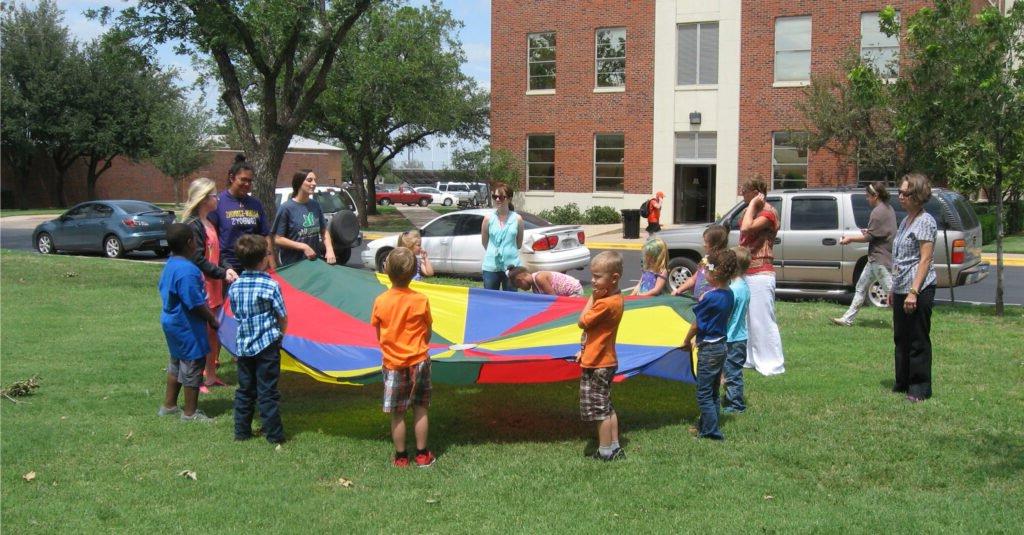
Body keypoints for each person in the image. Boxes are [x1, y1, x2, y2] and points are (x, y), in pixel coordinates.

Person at [371, 247, 436, 467]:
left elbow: (379, 333)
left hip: (393, 364)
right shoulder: (421, 299)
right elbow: (427, 331)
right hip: (419, 361)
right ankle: (422, 454)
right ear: (414, 272)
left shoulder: (381, 300)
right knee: (420, 408)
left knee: (397, 413)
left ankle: (401, 457)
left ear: (386, 271)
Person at [228, 234, 288, 444]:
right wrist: (280, 334)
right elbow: (281, 315)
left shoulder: (235, 286)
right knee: (268, 391)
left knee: (245, 390)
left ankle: (241, 432)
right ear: (264, 259)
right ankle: (274, 435)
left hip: (244, 346)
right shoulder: (270, 285)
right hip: (267, 345)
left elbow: (236, 313)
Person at [157, 223, 220, 422]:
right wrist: (212, 319)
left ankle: (169, 405)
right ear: (190, 243)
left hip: (171, 322)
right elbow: (195, 303)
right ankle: (190, 413)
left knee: (176, 362)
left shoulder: (171, 264)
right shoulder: (188, 270)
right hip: (187, 326)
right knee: (193, 365)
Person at [181, 178, 238, 392]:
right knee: (200, 333)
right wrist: (222, 273)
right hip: (201, 286)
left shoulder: (209, 223)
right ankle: (197, 378)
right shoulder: (193, 225)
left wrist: (227, 268)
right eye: (214, 195)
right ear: (204, 199)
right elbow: (197, 259)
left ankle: (211, 375)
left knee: (213, 331)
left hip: (214, 286)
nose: (217, 198)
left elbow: (218, 253)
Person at [681, 248, 739, 440]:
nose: (704, 275)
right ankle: (707, 425)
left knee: (704, 393)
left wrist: (685, 339)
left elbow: (697, 324)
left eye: (706, 272)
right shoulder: (729, 294)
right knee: (713, 390)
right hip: (721, 346)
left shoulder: (710, 297)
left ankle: (711, 432)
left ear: (715, 274)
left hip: (709, 349)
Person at [890, 173, 937, 402]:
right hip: (901, 288)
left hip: (918, 289)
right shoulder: (906, 220)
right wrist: (893, 289)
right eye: (899, 192)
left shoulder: (925, 221)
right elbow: (899, 257)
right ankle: (902, 382)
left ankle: (919, 388)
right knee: (901, 337)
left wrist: (913, 291)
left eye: (905, 193)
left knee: (917, 338)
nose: (900, 196)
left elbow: (925, 260)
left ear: (917, 196)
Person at [576, 251, 625, 461]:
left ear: (613, 278)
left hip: (598, 364)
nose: (593, 281)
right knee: (607, 405)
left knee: (599, 411)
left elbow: (582, 321)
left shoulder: (604, 303)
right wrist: (584, 350)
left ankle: (605, 451)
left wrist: (592, 297)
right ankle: (614, 446)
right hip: (603, 358)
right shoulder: (615, 297)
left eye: (597, 277)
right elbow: (596, 334)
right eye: (592, 276)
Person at [738, 176, 785, 376]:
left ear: (757, 192)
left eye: (745, 190)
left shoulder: (768, 213)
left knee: (762, 320)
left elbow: (746, 228)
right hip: (747, 271)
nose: (742, 193)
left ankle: (772, 363)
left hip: (761, 273)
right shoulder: (754, 210)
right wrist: (752, 205)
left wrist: (754, 204)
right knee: (748, 319)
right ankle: (752, 358)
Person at [833, 182, 897, 326]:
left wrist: (850, 239)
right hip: (874, 258)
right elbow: (880, 232)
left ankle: (901, 323)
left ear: (876, 196)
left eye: (868, 196)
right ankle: (847, 319)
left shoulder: (878, 212)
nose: (867, 199)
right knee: (861, 287)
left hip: (879, 258)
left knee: (892, 292)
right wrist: (869, 232)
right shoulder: (888, 208)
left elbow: (869, 237)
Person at [208, 154, 274, 272]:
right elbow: (212, 236)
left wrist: (270, 260)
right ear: (232, 178)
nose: (247, 184)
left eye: (250, 181)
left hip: (254, 265)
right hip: (228, 266)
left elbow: (264, 235)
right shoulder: (218, 202)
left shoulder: (255, 204)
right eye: (243, 180)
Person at [272, 170, 336, 267]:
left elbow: (324, 231)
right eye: (309, 180)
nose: (314, 183)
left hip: (314, 262)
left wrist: (329, 249)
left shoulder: (315, 205)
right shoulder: (286, 208)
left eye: (315, 180)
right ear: (299, 183)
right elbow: (277, 239)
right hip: (293, 265)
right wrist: (303, 246)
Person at [723, 246, 751, 413]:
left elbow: (727, 314)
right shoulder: (743, 285)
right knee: (731, 370)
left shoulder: (734, 290)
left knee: (732, 373)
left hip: (732, 338)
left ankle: (736, 405)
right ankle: (730, 398)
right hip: (739, 336)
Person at [480, 183, 523, 291]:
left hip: (512, 267)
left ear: (509, 199)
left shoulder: (518, 219)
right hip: (491, 267)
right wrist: (494, 250)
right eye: (495, 197)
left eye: (501, 197)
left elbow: (518, 244)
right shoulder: (488, 219)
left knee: (511, 301)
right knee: (490, 300)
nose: (498, 199)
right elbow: (485, 243)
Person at [671, 224, 728, 301]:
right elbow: (693, 279)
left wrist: (707, 295)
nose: (703, 245)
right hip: (699, 301)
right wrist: (679, 289)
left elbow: (721, 287)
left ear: (716, 244)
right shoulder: (705, 260)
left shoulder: (721, 263)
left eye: (706, 242)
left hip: (712, 302)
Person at [507, 266, 583, 296]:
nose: (523, 289)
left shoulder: (539, 278)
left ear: (520, 281)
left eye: (520, 286)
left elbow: (552, 297)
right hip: (565, 295)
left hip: (574, 291)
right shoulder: (534, 287)